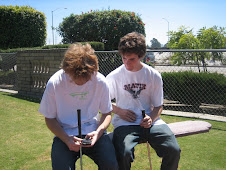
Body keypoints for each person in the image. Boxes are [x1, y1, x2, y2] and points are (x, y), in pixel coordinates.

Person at [106, 32, 181, 170]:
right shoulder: (114, 76)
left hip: (152, 122)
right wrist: (119, 111)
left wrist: (151, 118)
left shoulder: (153, 75)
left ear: (141, 56)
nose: (127, 63)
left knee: (173, 149)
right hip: (124, 123)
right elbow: (102, 102)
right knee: (124, 153)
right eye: (124, 58)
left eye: (132, 59)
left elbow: (159, 106)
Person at [39, 43, 118, 170]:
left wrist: (98, 132)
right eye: (75, 79)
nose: (81, 83)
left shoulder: (101, 81)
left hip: (93, 131)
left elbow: (107, 113)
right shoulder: (54, 83)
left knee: (111, 165)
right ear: (67, 70)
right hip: (64, 133)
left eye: (86, 79)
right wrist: (66, 139)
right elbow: (49, 118)